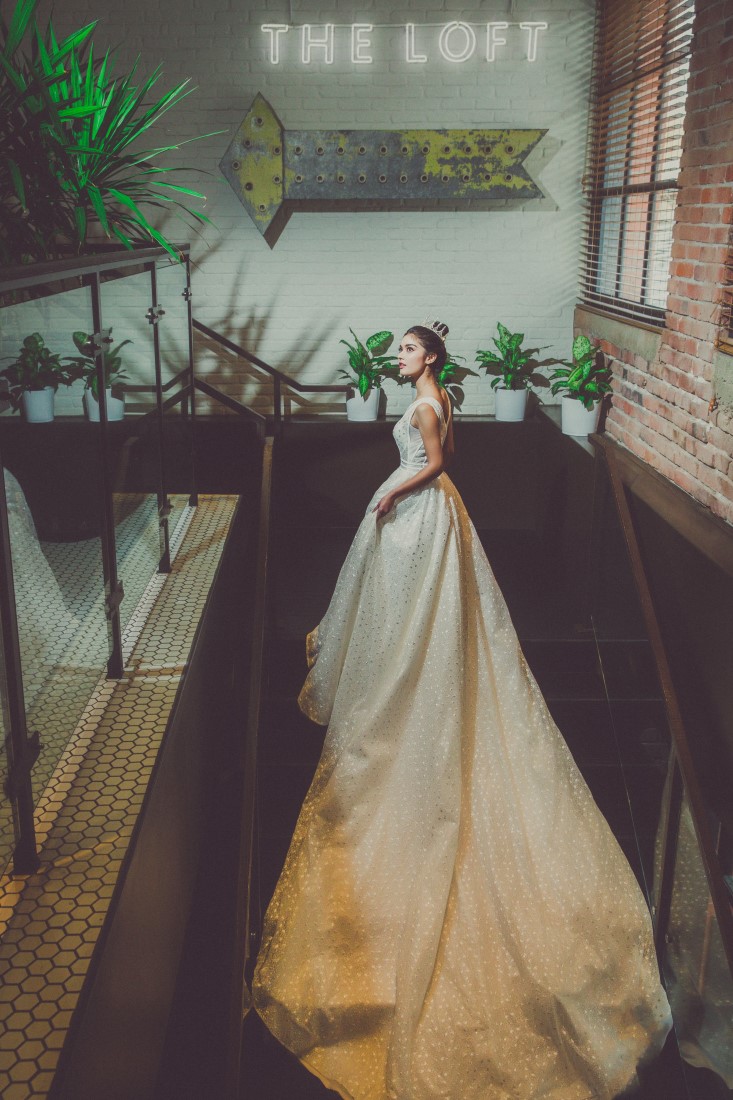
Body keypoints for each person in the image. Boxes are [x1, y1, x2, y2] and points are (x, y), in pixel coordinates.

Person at [252, 321, 672, 1100]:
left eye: (408, 351)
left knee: (417, 613)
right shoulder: (435, 395)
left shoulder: (423, 406)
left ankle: (411, 684)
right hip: (438, 512)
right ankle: (411, 673)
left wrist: (391, 490)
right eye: (403, 352)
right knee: (421, 615)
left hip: (421, 509)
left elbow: (436, 463)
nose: (401, 358)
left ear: (431, 358)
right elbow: (447, 463)